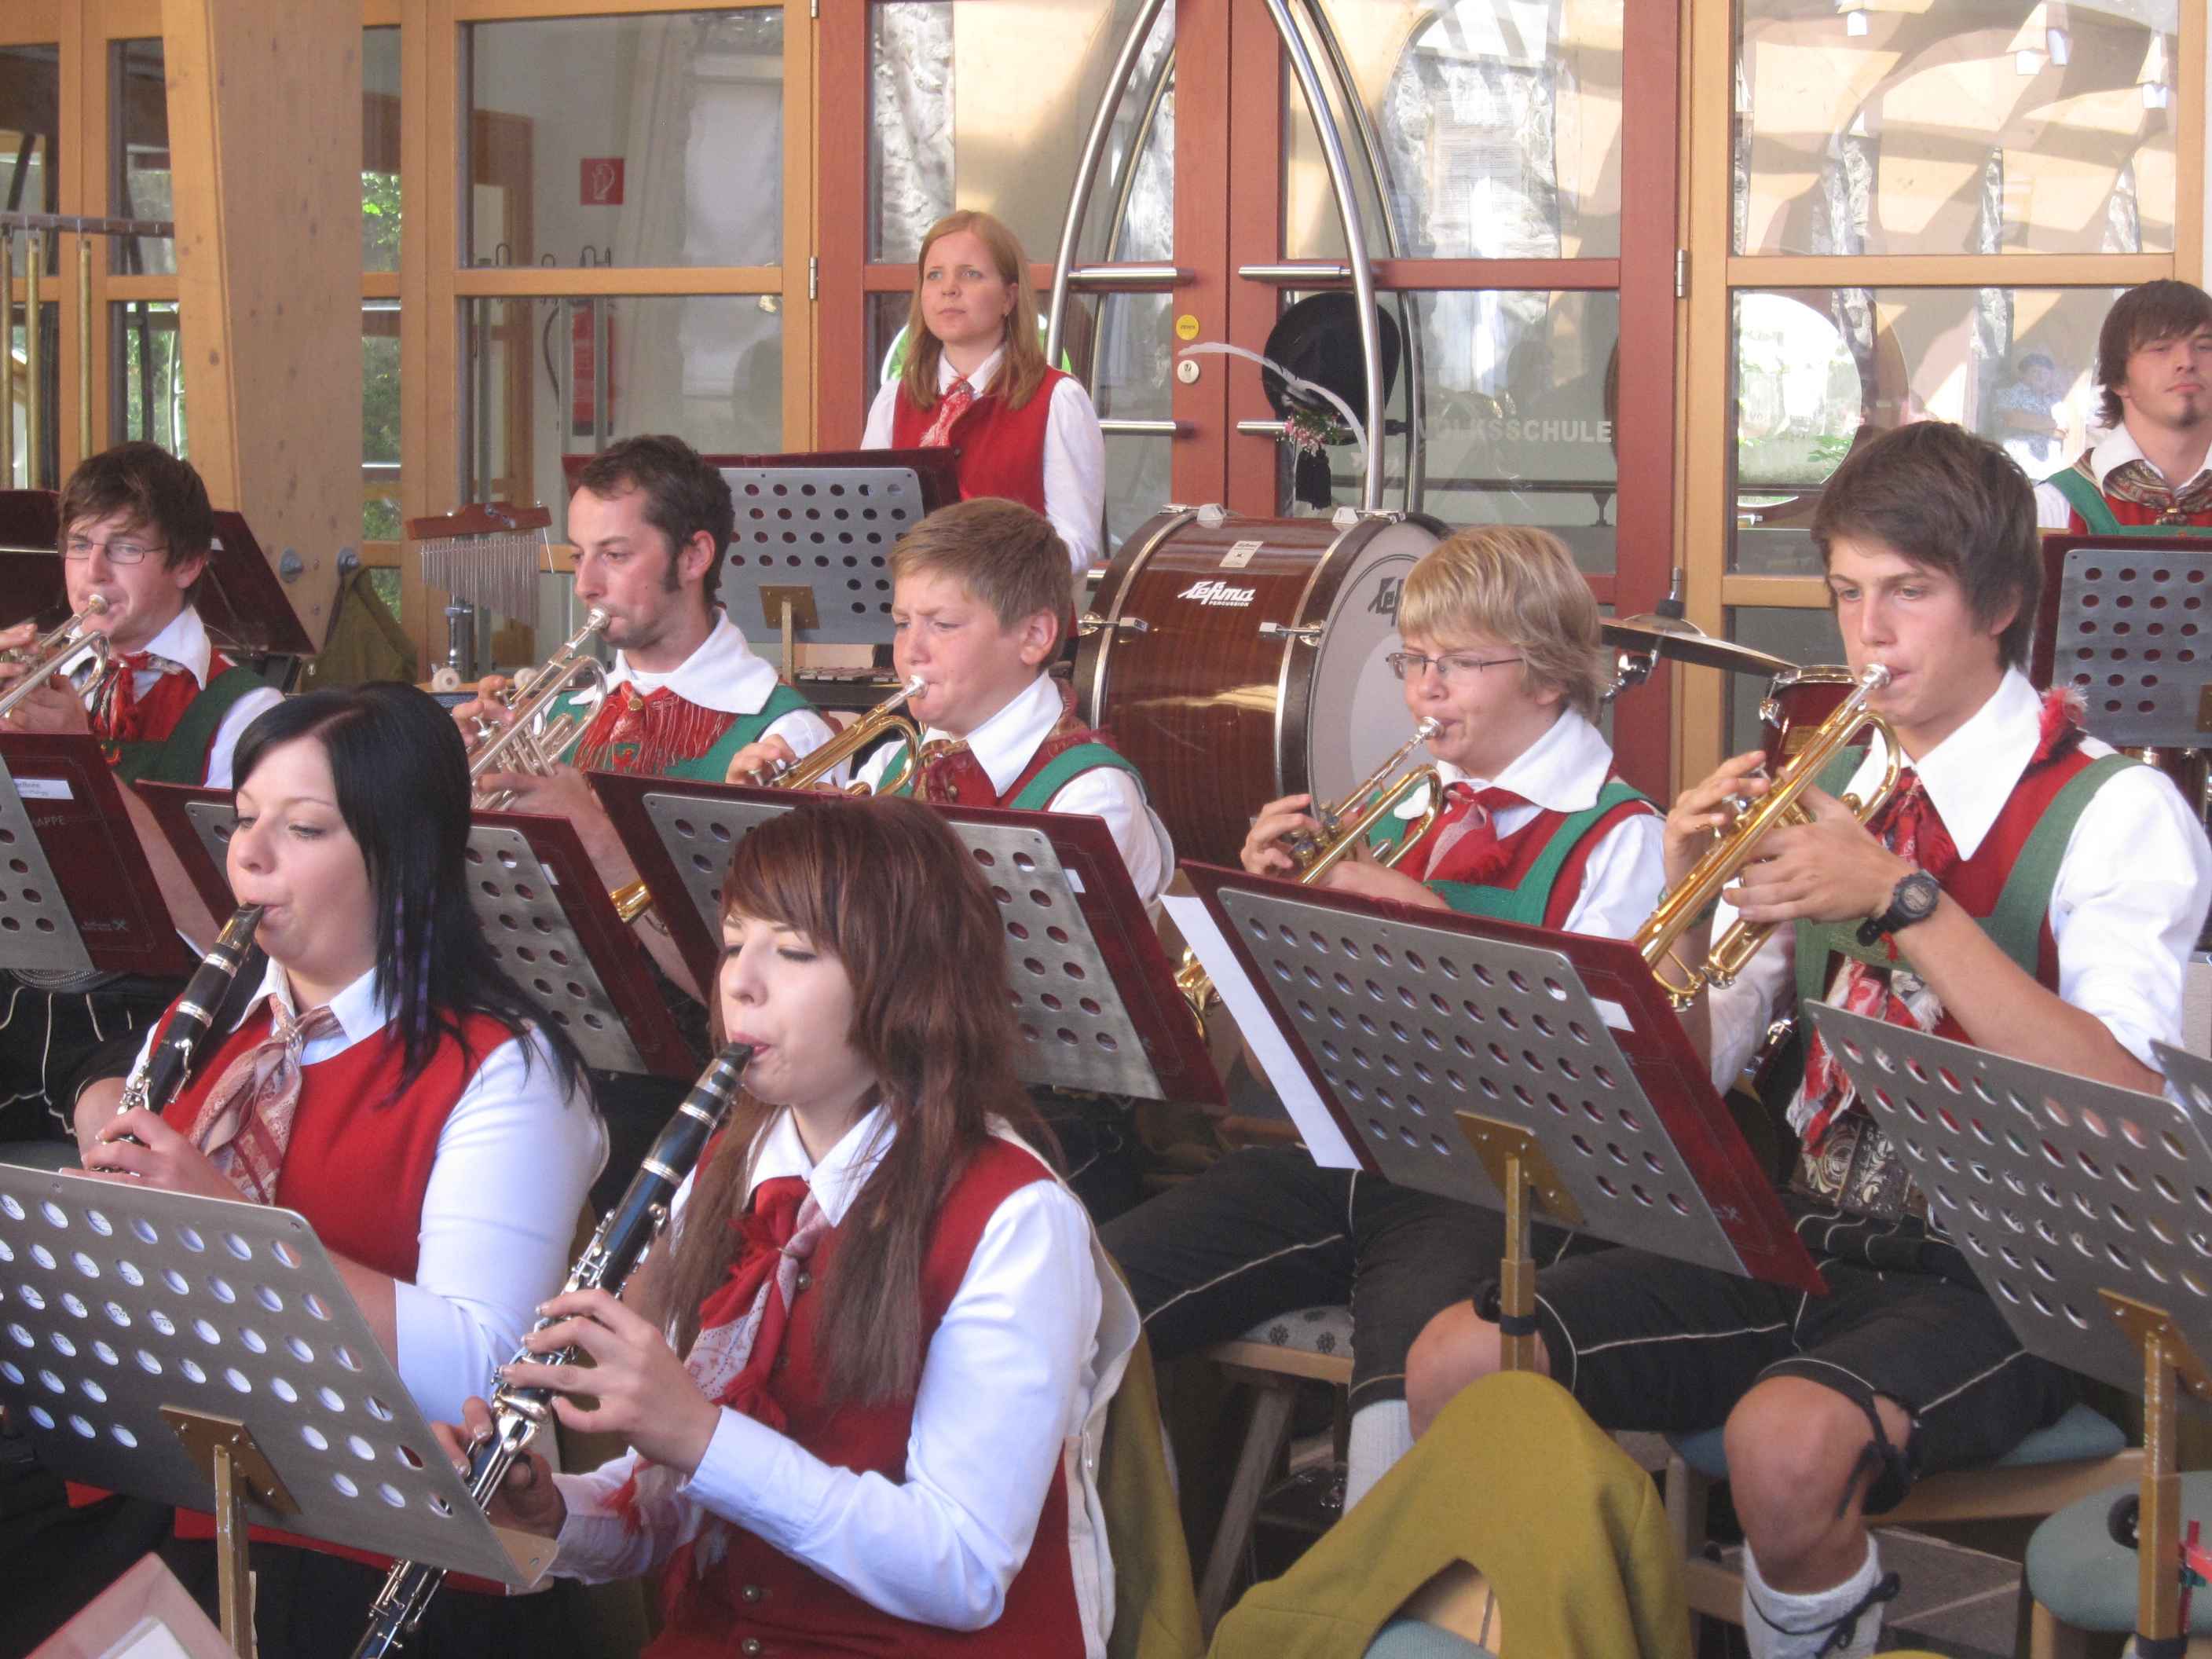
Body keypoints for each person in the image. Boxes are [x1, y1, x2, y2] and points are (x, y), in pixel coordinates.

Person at [1407, 422, 2212, 1659]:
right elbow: (1696, 1074)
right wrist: (1682, 912)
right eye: (1846, 592)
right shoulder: (1845, 786)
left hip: (2017, 1277)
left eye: (1909, 592)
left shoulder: (2118, 811)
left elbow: (2120, 1097)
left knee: (1783, 1447)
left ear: (2001, 604)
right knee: (1458, 1359)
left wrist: (1904, 901)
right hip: (1811, 1231)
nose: (1868, 633)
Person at [432, 795, 1137, 1657]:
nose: (740, 981)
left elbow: (962, 1569)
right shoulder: (724, 1170)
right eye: (734, 943)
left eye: (794, 951)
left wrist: (699, 1434)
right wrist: (555, 1513)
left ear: (910, 986)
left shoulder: (1015, 1219)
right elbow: (682, 1505)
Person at [32, 683, 606, 1658]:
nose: (249, 857)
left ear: (402, 855)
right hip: (190, 1504)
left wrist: (230, 1227)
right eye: (243, 819)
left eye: (301, 828)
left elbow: (486, 1371)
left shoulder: (507, 1070)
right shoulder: (210, 1027)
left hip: (398, 1564)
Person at [1099, 524, 1662, 1511]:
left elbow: (1597, 1084)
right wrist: (1268, 919)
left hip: (1508, 1190)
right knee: (1082, 1293)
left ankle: (1386, 1571)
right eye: (1412, 661)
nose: (1423, 691)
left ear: (1545, 676)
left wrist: (1420, 920)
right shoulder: (1408, 811)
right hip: (1353, 1156)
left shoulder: (1624, 839)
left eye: (1456, 664)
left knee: (1404, 1387)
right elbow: (1271, 1063)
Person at [729, 497, 1171, 1221]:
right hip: (891, 1095)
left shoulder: (1089, 795)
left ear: (1034, 636)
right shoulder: (887, 760)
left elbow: (1004, 991)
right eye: (902, 622)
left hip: (1043, 1118)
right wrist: (774, 834)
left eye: (943, 625)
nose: (911, 651)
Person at [458, 432, 836, 1004]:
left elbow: (761, 992)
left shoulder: (784, 732)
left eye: (615, 555)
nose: (586, 586)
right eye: (579, 555)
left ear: (694, 557)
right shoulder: (552, 711)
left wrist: (595, 834)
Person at [0, 442, 284, 1137]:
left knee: (118, 1134)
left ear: (187, 564)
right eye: (79, 545)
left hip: (147, 1008)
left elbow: (229, 919)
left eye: (124, 548)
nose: (92, 572)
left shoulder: (250, 714)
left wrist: (80, 765)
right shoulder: (43, 677)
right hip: (18, 983)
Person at [862, 209, 1106, 575]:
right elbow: (869, 524)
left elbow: (1075, 543)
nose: (949, 288)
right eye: (934, 275)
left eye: (970, 274)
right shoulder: (893, 400)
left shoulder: (1057, 399)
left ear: (1009, 297)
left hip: (1015, 608)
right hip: (914, 609)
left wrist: (984, 577)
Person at [2035, 279, 2212, 533]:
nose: (2187, 361)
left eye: (2205, 347)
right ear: (2119, 378)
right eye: (2161, 348)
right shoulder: (2052, 509)